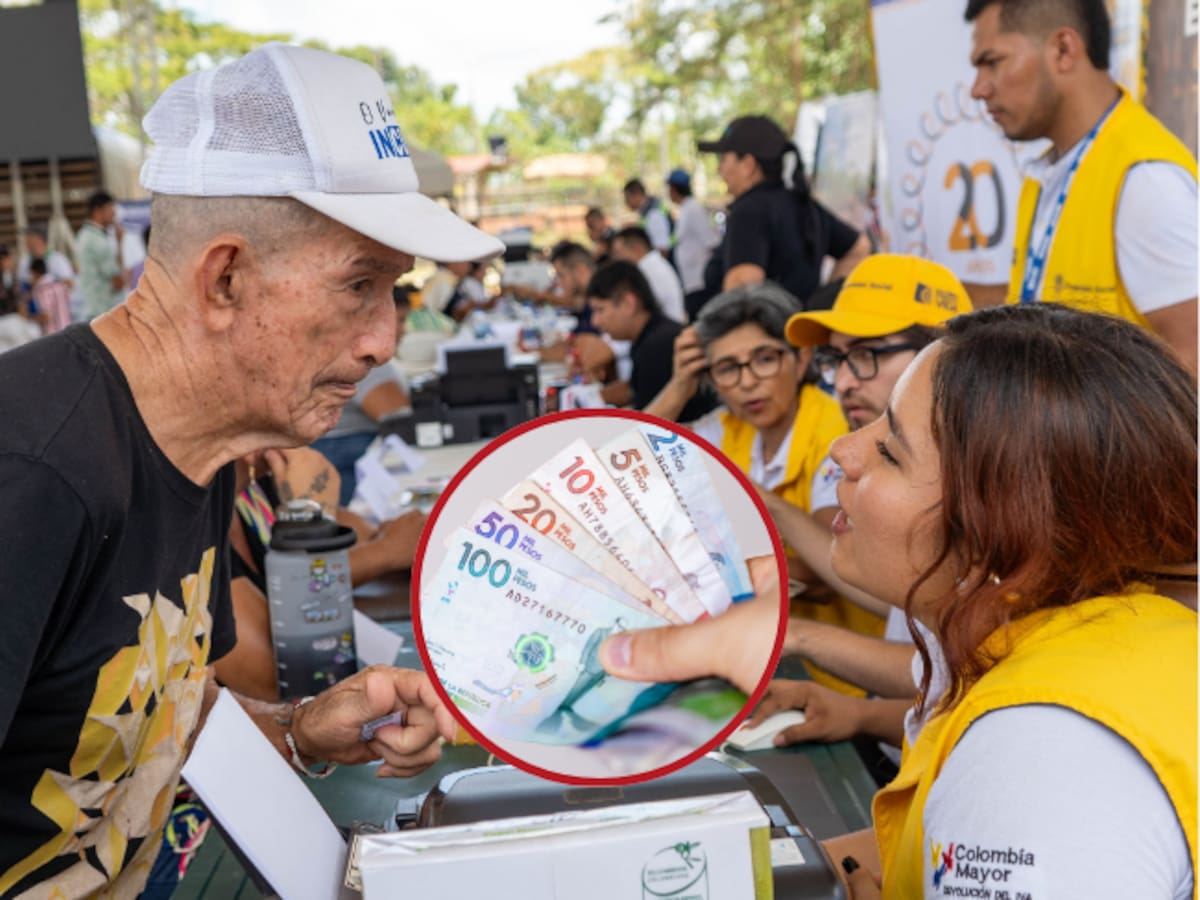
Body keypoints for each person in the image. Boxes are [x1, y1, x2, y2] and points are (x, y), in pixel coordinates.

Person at [0, 44, 501, 897]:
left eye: (397, 293)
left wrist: (303, 728)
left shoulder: (202, 445)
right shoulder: (33, 470)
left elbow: (153, 716)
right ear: (226, 277)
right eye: (359, 286)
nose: (383, 339)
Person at [603, 303, 1197, 899]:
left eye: (890, 451)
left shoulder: (1036, 754)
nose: (843, 450)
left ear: (1005, 533)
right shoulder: (1069, 638)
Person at [747, 255, 973, 775]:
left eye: (867, 355)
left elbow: (955, 673)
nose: (845, 381)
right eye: (837, 360)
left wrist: (795, 635)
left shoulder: (982, 502)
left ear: (944, 358)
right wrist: (859, 715)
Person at [643, 281, 880, 696]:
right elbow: (627, 460)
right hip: (772, 665)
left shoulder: (833, 432)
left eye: (765, 359)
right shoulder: (729, 429)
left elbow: (830, 570)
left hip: (847, 682)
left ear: (801, 358)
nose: (748, 382)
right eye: (728, 368)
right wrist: (679, 387)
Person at [967, 0, 1197, 374]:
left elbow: (1194, 359)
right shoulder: (1051, 172)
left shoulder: (1145, 181)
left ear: (1063, 49)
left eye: (992, 62)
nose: (978, 89)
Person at [215, 446, 426, 701]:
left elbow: (363, 531)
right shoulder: (188, 525)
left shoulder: (253, 487)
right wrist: (310, 519)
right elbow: (284, 681)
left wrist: (382, 544)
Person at [697, 115, 870, 304]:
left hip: (763, 332)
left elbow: (742, 290)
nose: (719, 169)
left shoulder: (749, 210)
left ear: (747, 165)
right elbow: (859, 248)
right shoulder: (804, 204)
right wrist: (819, 308)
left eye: (723, 159)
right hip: (797, 330)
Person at [312, 285, 413, 504]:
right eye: (401, 320)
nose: (404, 330)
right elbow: (399, 419)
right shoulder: (370, 363)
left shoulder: (348, 352)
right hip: (348, 456)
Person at [585, 260, 715, 420]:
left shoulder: (656, 348)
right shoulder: (651, 337)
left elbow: (650, 427)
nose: (595, 321)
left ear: (628, 303)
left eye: (600, 310)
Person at [665, 168, 718, 320]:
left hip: (700, 280)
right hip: (691, 281)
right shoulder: (686, 209)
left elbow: (711, 241)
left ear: (675, 189)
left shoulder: (694, 209)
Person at [610, 225, 686, 323]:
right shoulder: (651, 266)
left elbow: (638, 313)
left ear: (637, 248)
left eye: (619, 252)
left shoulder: (652, 271)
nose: (616, 258)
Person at [75, 190, 126, 320]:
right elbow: (118, 283)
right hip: (101, 313)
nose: (114, 213)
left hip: (91, 310)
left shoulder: (84, 235)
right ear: (98, 210)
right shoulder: (97, 241)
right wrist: (120, 245)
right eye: (110, 208)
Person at [622, 178, 674, 258]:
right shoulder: (647, 212)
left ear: (637, 194)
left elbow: (662, 249)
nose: (626, 202)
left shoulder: (654, 213)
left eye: (627, 197)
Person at [17, 224, 76, 291]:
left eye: (30, 236)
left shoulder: (57, 259)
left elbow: (70, 284)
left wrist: (45, 282)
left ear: (40, 238)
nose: (26, 240)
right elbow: (20, 285)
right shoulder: (25, 261)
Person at [28, 256, 75, 335]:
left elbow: (46, 316)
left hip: (52, 335)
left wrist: (28, 317)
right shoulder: (61, 285)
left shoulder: (41, 289)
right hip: (67, 331)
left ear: (35, 273)